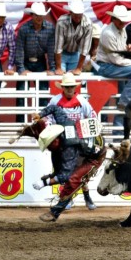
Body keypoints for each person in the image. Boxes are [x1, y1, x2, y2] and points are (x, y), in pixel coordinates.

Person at [33, 73, 101, 219]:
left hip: (78, 140)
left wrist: (89, 131)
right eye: (67, 87)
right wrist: (52, 132)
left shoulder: (82, 101)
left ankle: (81, 197)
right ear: (63, 88)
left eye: (71, 87)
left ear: (74, 87)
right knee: (68, 170)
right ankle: (70, 198)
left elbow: (92, 116)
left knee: (77, 172)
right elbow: (49, 118)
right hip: (62, 140)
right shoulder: (56, 101)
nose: (69, 89)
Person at [93, 5, 131, 133]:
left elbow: (119, 53)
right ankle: (124, 103)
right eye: (120, 20)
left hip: (112, 65)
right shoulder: (108, 33)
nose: (123, 23)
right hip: (107, 66)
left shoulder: (120, 30)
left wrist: (127, 47)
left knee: (123, 95)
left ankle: (118, 131)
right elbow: (116, 60)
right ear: (114, 19)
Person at [15, 2, 56, 120]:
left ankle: (43, 121)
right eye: (36, 15)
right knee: (21, 93)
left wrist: (52, 68)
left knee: (43, 93)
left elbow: (51, 49)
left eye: (41, 15)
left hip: (41, 62)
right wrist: (21, 68)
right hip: (25, 61)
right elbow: (20, 49)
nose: (39, 18)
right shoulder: (24, 29)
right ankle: (20, 123)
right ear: (32, 15)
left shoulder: (50, 28)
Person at [54, 0, 93, 76]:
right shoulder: (61, 22)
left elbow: (85, 49)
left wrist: (79, 68)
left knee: (73, 80)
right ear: (70, 12)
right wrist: (58, 68)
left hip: (76, 53)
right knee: (61, 78)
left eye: (80, 14)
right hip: (62, 54)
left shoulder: (88, 24)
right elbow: (58, 47)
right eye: (75, 14)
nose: (78, 17)